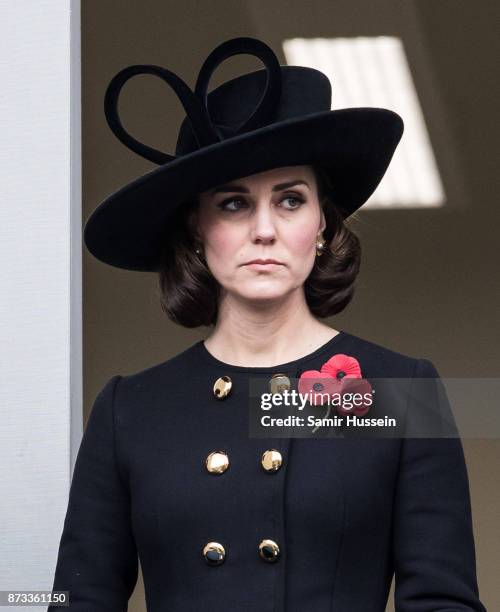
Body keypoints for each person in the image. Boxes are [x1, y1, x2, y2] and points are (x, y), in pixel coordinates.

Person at [48, 37, 486, 611]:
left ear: (324, 223)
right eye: (233, 204)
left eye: (289, 200)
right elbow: (73, 602)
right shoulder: (129, 409)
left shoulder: (401, 392)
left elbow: (443, 602)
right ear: (198, 230)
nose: (264, 230)